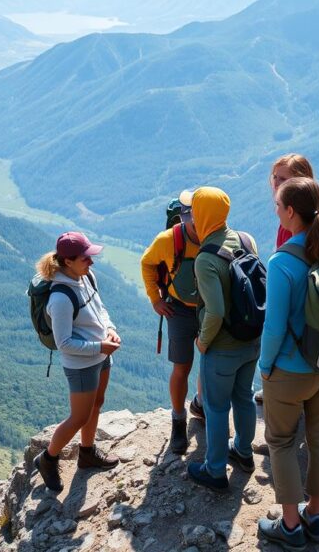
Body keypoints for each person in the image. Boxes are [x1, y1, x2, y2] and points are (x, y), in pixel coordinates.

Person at [256, 177, 319, 549]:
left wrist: (265, 365)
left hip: (291, 370)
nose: (275, 211)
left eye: (278, 205)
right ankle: (315, 515)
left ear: (290, 212)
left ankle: (290, 525)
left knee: (281, 441)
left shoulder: (282, 261)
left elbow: (274, 326)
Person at [32, 232, 121, 493]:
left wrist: (110, 329)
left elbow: (100, 310)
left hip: (102, 354)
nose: (91, 262)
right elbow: (64, 343)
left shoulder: (86, 277)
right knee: (79, 417)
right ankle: (48, 459)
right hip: (81, 364)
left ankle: (87, 453)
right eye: (85, 258)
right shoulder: (60, 298)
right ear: (68, 262)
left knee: (97, 403)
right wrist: (100, 346)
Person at [186, 187, 261, 492]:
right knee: (244, 397)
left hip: (222, 347)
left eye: (194, 211)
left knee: (216, 408)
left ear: (202, 215)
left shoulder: (206, 258)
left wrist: (203, 342)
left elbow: (215, 311)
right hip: (251, 340)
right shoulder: (246, 239)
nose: (192, 218)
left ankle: (215, 471)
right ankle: (243, 451)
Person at [140, 192, 203, 454]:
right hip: (179, 310)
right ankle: (178, 421)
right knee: (182, 367)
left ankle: (202, 405)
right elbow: (147, 263)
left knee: (210, 362)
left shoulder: (217, 235)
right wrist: (155, 299)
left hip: (209, 310)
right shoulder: (168, 240)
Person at [270, 154, 319, 247]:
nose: (276, 183)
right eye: (275, 177)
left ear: (300, 181)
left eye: (283, 179)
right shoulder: (291, 208)